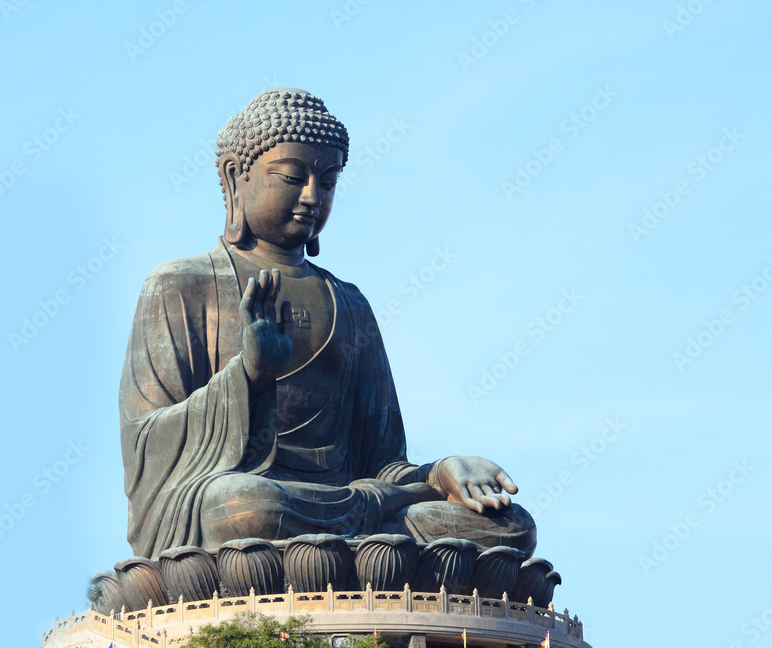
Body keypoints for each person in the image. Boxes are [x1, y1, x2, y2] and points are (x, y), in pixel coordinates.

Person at [120, 88, 535, 559]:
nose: (312, 196)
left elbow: (382, 465)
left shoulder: (350, 304)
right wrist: (250, 375)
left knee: (509, 526)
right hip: (247, 500)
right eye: (293, 177)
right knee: (241, 508)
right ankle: (348, 555)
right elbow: (146, 440)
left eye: (329, 181)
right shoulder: (179, 285)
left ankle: (352, 552)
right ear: (236, 176)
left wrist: (439, 474)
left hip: (357, 504)